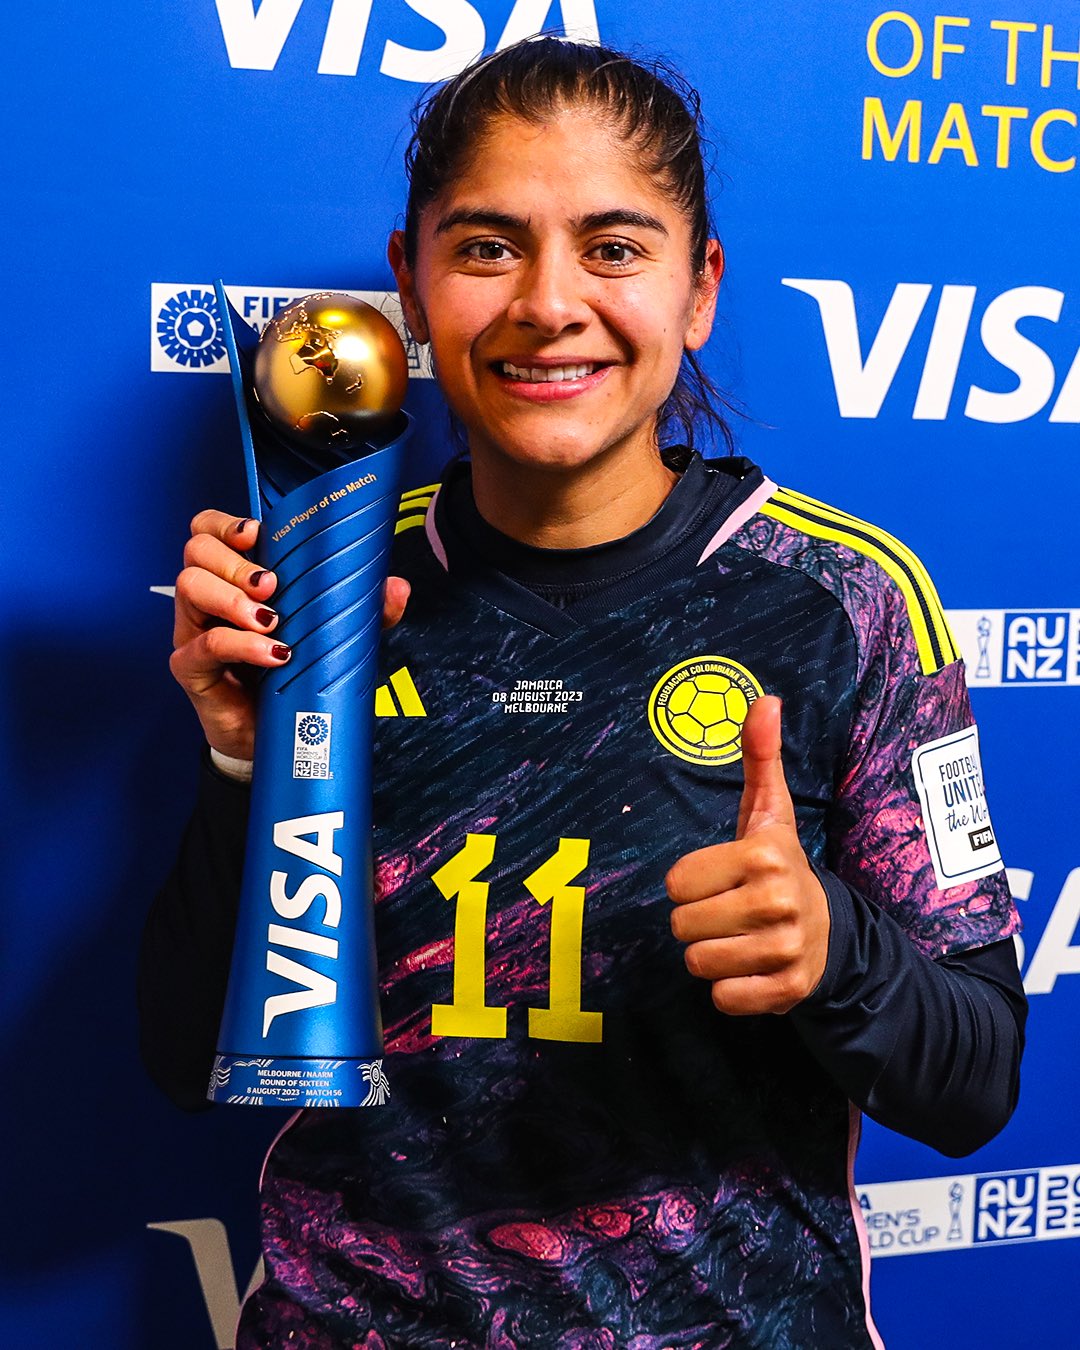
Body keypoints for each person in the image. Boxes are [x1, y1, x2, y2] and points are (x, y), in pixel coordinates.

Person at [142, 37, 1026, 1349]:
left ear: (699, 285)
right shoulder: (330, 584)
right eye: (488, 245)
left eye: (614, 247)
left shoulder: (844, 603)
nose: (549, 302)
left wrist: (832, 948)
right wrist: (238, 767)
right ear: (412, 280)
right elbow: (184, 1062)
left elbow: (975, 1081)